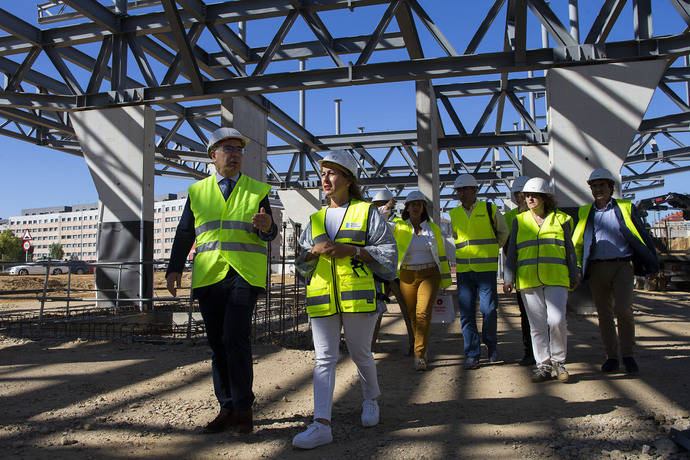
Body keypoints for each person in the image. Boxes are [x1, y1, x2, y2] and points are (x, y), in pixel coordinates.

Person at [165, 127, 277, 434]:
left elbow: (269, 231)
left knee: (234, 337)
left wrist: (268, 227)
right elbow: (185, 232)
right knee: (217, 344)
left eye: (239, 150)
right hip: (209, 275)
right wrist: (174, 268)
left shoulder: (257, 190)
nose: (235, 155)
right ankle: (226, 408)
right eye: (228, 149)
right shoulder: (197, 192)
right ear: (213, 156)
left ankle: (243, 410)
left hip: (244, 274)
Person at [292, 151, 397, 449]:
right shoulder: (314, 220)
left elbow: (389, 257)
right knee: (323, 359)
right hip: (323, 299)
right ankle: (321, 424)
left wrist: (351, 250)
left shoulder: (367, 213)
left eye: (332, 173)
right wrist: (311, 254)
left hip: (358, 298)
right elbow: (300, 267)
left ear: (349, 179)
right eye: (322, 173)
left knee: (361, 354)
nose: (325, 179)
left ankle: (370, 400)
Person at [572, 168, 659, 374]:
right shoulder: (585, 212)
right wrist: (576, 267)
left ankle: (628, 355)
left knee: (623, 310)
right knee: (604, 314)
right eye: (594, 186)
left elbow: (642, 235)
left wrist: (652, 263)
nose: (598, 189)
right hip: (597, 267)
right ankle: (611, 356)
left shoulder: (626, 207)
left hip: (623, 265)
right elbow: (577, 242)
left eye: (602, 185)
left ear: (611, 187)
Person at [503, 178, 580, 383]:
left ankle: (559, 362)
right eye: (527, 195)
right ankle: (543, 366)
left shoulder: (562, 219)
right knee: (536, 325)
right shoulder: (519, 220)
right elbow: (512, 252)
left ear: (545, 197)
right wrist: (508, 278)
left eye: (534, 195)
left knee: (556, 321)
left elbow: (570, 251)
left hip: (556, 277)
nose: (529, 198)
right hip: (528, 279)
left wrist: (574, 274)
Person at [449, 173, 509, 370]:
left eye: (466, 189)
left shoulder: (489, 209)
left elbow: (503, 233)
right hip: (464, 272)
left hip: (486, 270)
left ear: (475, 190)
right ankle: (472, 354)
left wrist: (492, 250)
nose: (462, 193)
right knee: (466, 314)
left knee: (488, 310)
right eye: (459, 190)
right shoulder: (454, 214)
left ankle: (492, 347)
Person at [394, 191, 452, 371]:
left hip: (429, 274)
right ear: (407, 207)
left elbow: (441, 254)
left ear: (423, 207)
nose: (416, 207)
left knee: (422, 313)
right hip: (407, 275)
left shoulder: (433, 228)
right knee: (412, 315)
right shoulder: (398, 226)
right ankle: (420, 346)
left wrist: (444, 279)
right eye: (412, 204)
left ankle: (419, 354)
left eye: (419, 204)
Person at [371, 189, 414, 355]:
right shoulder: (373, 224)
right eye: (377, 205)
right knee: (375, 312)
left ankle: (414, 345)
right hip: (380, 274)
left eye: (382, 204)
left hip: (397, 274)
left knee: (408, 311)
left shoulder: (401, 224)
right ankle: (370, 347)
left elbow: (391, 232)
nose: (380, 208)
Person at [502, 175, 535, 366]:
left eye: (523, 194)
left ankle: (548, 353)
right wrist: (510, 274)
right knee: (526, 315)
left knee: (548, 317)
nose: (520, 198)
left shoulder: (546, 215)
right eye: (517, 194)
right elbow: (507, 248)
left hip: (546, 272)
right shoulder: (509, 217)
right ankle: (530, 352)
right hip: (523, 274)